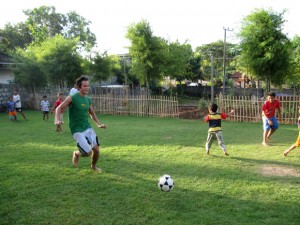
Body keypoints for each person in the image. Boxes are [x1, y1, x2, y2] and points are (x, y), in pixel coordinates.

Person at [55, 75, 106, 172]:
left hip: (87, 127)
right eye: (84, 86)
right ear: (79, 87)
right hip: (77, 129)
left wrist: (98, 124)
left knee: (96, 150)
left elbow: (92, 113)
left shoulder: (88, 99)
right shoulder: (72, 98)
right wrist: (57, 120)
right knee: (88, 152)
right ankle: (77, 154)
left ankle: (93, 167)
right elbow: (59, 108)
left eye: (88, 86)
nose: (87, 88)